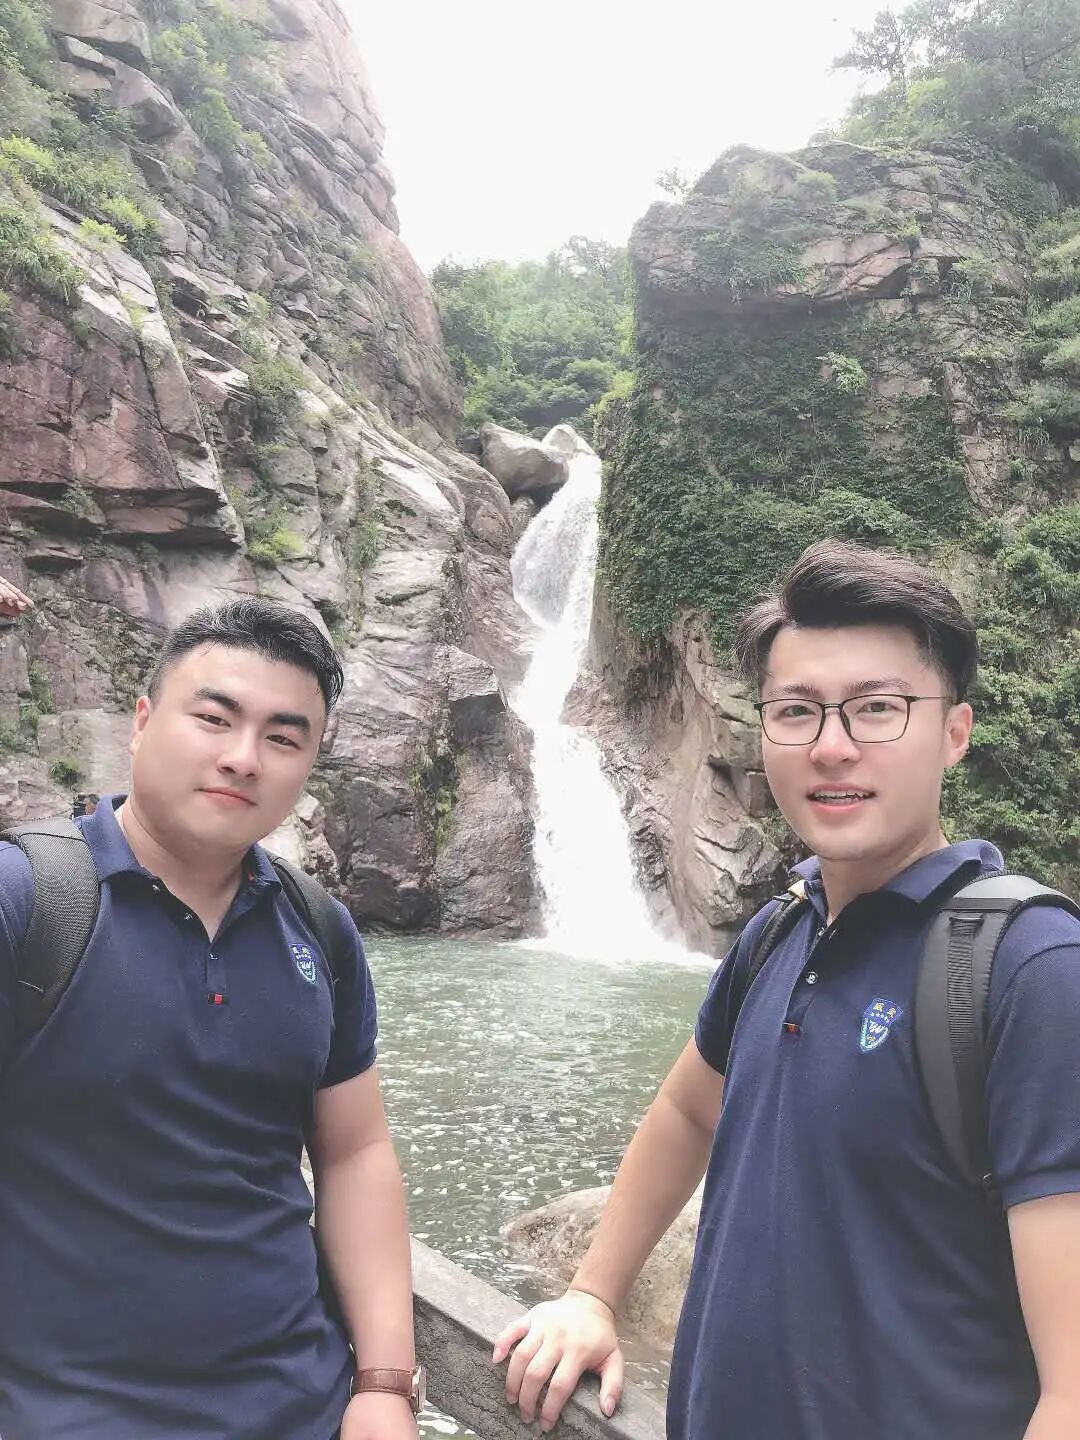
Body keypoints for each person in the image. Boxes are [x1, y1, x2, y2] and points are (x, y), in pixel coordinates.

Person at [494, 540, 1080, 1440]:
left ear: (954, 733)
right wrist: (593, 1294)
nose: (833, 747)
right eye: (797, 711)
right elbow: (687, 1112)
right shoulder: (778, 932)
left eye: (878, 708)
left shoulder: (1030, 968)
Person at [0, 598, 421, 1440]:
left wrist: (383, 1383)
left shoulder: (319, 927)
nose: (242, 758)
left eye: (283, 738)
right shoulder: (28, 901)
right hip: (59, 1411)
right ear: (142, 722)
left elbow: (355, 1152)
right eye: (214, 718)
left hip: (302, 1406)